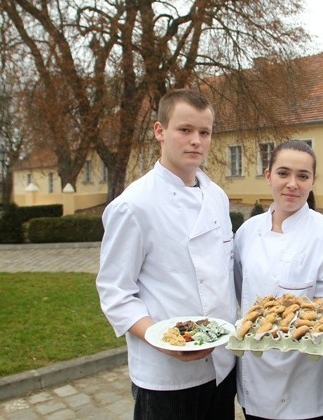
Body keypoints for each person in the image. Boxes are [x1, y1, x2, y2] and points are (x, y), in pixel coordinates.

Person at [96, 89, 237, 420]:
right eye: (185, 130)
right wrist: (160, 339)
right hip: (167, 377)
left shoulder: (217, 196)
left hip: (221, 365)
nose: (196, 141)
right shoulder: (134, 206)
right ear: (160, 131)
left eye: (204, 133)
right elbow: (115, 292)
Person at [233, 140, 323, 420]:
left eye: (302, 176)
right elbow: (243, 291)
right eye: (283, 173)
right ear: (268, 176)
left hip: (309, 382)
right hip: (257, 376)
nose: (292, 183)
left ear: (313, 181)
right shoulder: (247, 233)